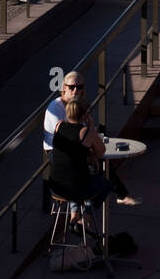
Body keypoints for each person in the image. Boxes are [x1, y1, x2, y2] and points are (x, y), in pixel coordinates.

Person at [43, 71, 141, 205]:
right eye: (72, 87)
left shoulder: (77, 106)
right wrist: (90, 155)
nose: (76, 90)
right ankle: (87, 212)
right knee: (83, 169)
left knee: (88, 167)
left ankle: (80, 215)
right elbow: (68, 139)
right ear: (64, 88)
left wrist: (90, 153)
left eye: (80, 87)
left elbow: (80, 138)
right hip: (57, 151)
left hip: (69, 161)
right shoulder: (56, 109)